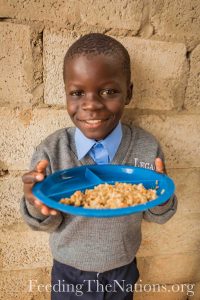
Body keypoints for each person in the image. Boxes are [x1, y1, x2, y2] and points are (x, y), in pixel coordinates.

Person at [21, 33, 177, 299]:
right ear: (66, 94)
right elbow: (46, 223)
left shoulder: (146, 148)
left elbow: (156, 215)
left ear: (128, 93)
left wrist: (161, 195)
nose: (91, 104)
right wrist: (35, 203)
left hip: (122, 270)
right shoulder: (52, 151)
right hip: (70, 273)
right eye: (77, 93)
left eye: (108, 91)